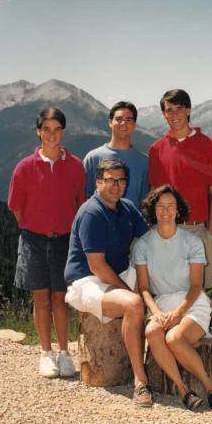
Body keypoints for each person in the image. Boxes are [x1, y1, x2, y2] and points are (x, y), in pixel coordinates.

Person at [148, 89, 212, 331]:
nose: (175, 114)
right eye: (169, 110)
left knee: (197, 285)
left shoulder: (208, 145)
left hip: (197, 228)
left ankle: (204, 327)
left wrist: (210, 233)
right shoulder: (156, 149)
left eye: (180, 108)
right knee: (172, 285)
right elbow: (155, 194)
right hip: (168, 230)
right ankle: (207, 321)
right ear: (163, 114)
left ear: (189, 110)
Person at [64, 158, 152, 407]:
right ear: (98, 181)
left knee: (157, 285)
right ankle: (140, 381)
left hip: (118, 274)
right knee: (134, 304)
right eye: (110, 180)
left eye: (121, 180)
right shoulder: (91, 212)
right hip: (87, 281)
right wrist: (128, 293)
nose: (116, 185)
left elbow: (148, 241)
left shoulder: (126, 207)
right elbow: (97, 266)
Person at [8, 107, 86, 378]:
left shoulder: (75, 166)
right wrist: (35, 226)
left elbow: (80, 204)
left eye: (57, 129)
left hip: (65, 240)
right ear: (39, 132)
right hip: (34, 241)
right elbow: (16, 206)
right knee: (40, 298)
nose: (52, 135)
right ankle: (45, 353)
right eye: (46, 129)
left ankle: (64, 353)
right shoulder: (25, 167)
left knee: (60, 298)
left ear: (63, 132)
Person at [133, 185, 212, 411]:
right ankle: (184, 390)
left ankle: (211, 388)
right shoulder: (143, 244)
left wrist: (178, 313)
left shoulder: (192, 241)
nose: (165, 211)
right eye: (160, 206)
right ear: (153, 210)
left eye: (170, 206)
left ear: (178, 210)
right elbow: (144, 288)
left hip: (192, 303)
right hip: (162, 303)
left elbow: (196, 286)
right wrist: (156, 313)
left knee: (174, 338)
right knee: (152, 331)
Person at [83, 101, 148, 209]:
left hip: (132, 224)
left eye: (129, 120)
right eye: (119, 119)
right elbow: (84, 196)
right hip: (100, 223)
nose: (124, 123)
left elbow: (144, 201)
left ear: (134, 125)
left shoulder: (144, 161)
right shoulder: (92, 158)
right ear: (110, 122)